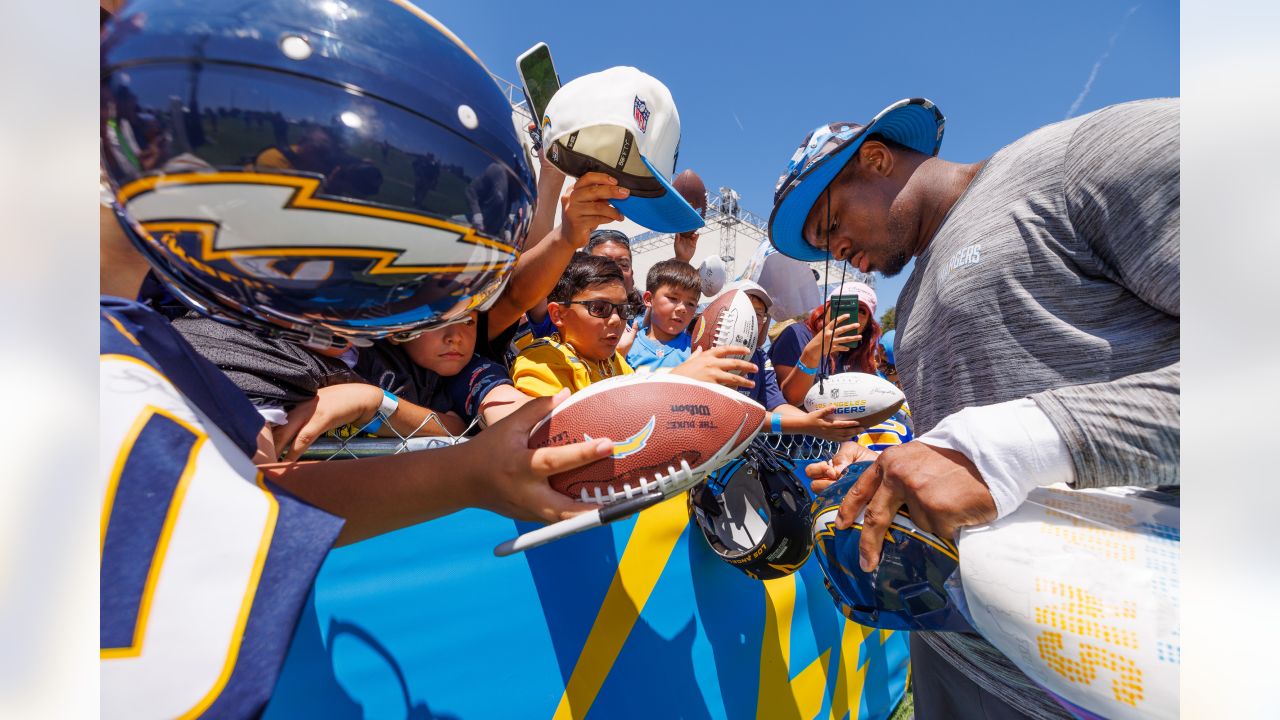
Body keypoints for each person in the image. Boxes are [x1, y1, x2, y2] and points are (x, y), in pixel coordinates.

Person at [100, 4, 615, 716]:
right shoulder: (169, 349)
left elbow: (253, 496)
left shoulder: (162, 337)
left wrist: (440, 451)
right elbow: (253, 496)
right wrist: (456, 466)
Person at [769, 97, 1179, 719]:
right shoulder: (912, 297)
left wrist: (1019, 444)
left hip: (1126, 673)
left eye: (830, 227)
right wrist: (888, 459)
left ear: (875, 158)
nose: (836, 252)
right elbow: (968, 440)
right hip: (964, 659)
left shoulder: (1085, 157)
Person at [718, 281, 863, 443]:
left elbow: (777, 405)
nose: (751, 318)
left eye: (758, 314)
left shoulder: (760, 358)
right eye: (744, 309)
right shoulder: (706, 349)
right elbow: (732, 414)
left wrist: (820, 424)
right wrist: (806, 424)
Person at [771, 281, 880, 406]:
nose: (850, 314)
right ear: (826, 308)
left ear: (867, 325)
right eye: (844, 304)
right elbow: (790, 399)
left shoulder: (859, 356)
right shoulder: (796, 335)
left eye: (861, 311)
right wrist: (812, 353)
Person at [626, 259, 700, 371]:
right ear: (648, 299)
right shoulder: (629, 347)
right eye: (673, 298)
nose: (682, 308)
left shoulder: (696, 351)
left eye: (691, 303)